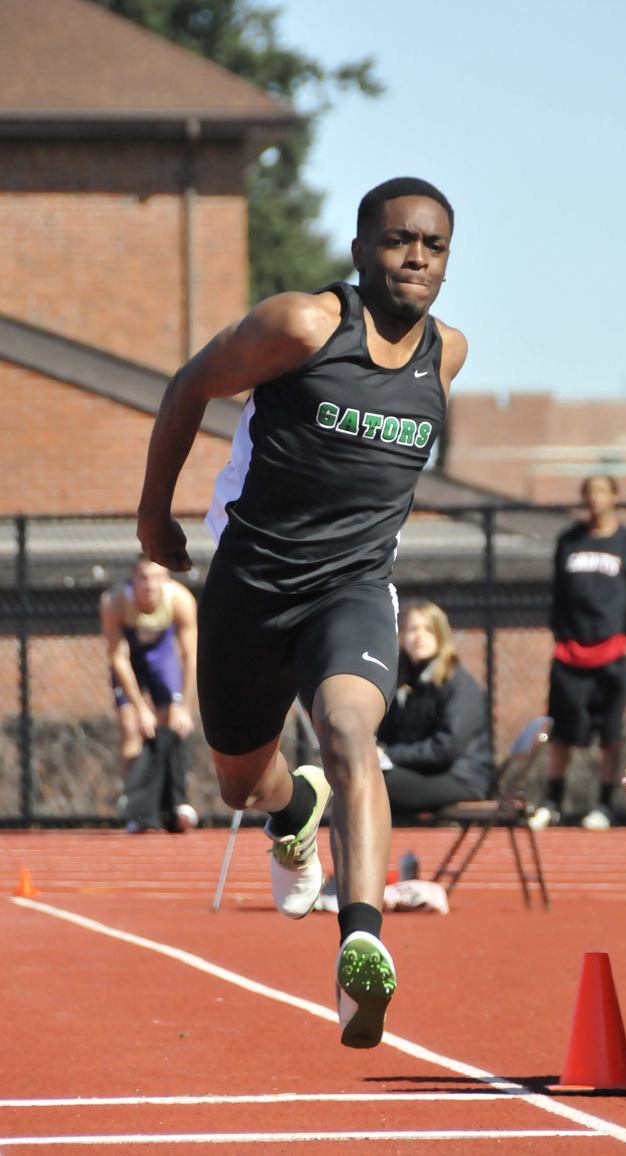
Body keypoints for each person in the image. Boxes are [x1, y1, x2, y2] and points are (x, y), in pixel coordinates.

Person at [136, 176, 467, 1048]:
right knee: (239, 783)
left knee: (351, 733)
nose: (417, 257)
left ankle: (359, 940)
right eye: (399, 240)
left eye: (434, 245)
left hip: (353, 590)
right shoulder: (304, 326)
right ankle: (293, 815)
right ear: (361, 250)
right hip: (251, 584)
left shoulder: (448, 355)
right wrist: (151, 514)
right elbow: (188, 384)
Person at [530, 475, 626, 832]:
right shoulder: (569, 541)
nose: (595, 498)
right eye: (589, 492)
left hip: (612, 651)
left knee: (610, 733)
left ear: (615, 496)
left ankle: (604, 804)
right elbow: (558, 595)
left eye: (601, 491)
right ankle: (553, 801)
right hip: (570, 652)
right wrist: (560, 635)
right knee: (561, 731)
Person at [100, 555, 199, 832]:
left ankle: (174, 802)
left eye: (156, 578)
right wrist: (141, 708)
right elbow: (118, 658)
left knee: (170, 727)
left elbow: (190, 656)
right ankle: (136, 807)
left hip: (161, 656)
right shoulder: (115, 603)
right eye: (143, 578)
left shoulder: (180, 601)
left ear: (166, 579)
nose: (149, 585)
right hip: (131, 660)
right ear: (134, 579)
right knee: (131, 726)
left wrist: (186, 707)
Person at [377, 601, 492, 815]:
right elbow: (389, 733)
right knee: (361, 774)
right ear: (401, 637)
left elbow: (445, 748)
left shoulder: (458, 684)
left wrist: (389, 754)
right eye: (412, 629)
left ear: (441, 635)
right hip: (422, 772)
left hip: (461, 777)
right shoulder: (405, 682)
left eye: (428, 629)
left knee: (376, 783)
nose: (420, 636)